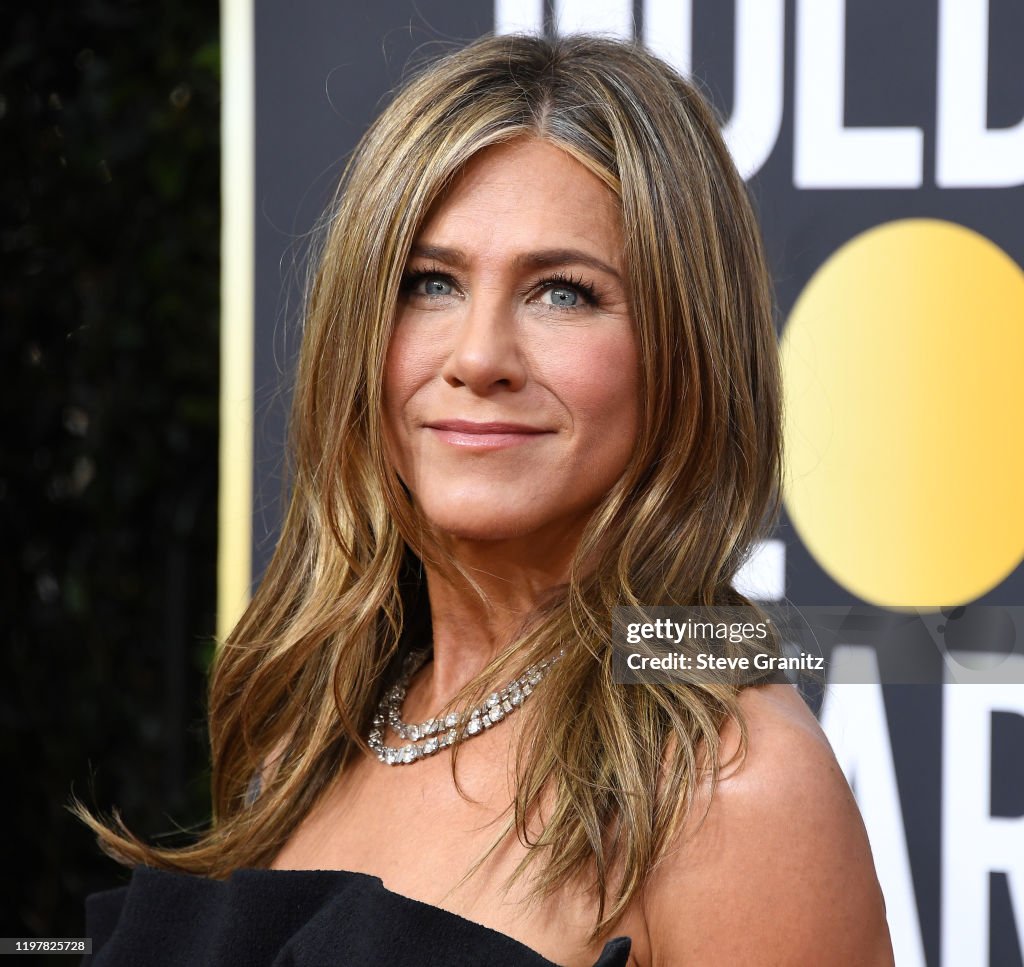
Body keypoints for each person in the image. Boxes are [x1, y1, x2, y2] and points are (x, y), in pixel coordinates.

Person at [76, 32, 894, 966]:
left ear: (688, 352)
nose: (477, 358)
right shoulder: (312, 729)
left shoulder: (729, 786)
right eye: (431, 284)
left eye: (563, 293)